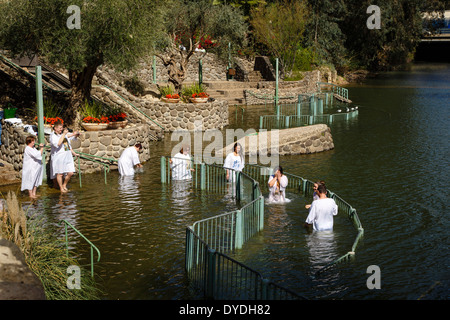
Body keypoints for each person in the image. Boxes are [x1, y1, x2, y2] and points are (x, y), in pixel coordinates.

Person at [50, 121, 79, 193]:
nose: (61, 129)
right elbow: (58, 143)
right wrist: (64, 134)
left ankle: (64, 184)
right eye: (60, 128)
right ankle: (61, 188)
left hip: (67, 156)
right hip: (59, 157)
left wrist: (74, 153)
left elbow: (67, 146)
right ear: (55, 128)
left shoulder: (64, 135)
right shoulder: (52, 136)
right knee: (60, 173)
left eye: (61, 128)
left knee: (71, 172)